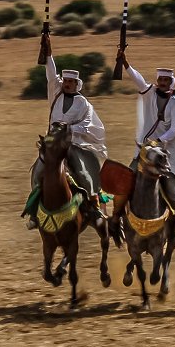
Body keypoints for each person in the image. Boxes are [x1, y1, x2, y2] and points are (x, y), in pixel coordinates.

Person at [109, 49, 175, 237]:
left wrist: (159, 141)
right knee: (126, 180)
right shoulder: (148, 93)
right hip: (143, 152)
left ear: (171, 83)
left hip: (164, 153)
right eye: (160, 80)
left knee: (170, 185)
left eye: (166, 80)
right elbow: (138, 80)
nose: (163, 83)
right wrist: (126, 65)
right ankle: (115, 218)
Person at [25, 35, 108, 229]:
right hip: (52, 144)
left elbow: (87, 125)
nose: (66, 84)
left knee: (82, 173)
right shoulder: (56, 94)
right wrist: (49, 51)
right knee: (37, 172)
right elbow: (51, 73)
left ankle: (94, 206)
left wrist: (68, 129)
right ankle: (34, 213)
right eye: (66, 81)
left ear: (76, 84)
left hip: (72, 145)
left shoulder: (83, 104)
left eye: (70, 82)